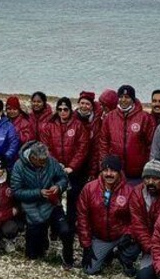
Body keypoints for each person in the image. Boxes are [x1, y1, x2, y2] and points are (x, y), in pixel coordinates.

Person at [41, 97, 90, 261]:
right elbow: (46, 147)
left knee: (72, 204)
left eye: (66, 109)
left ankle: (69, 234)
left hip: (73, 172)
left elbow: (82, 148)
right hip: (55, 171)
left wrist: (71, 167)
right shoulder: (49, 126)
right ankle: (53, 232)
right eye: (60, 109)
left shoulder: (78, 126)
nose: (62, 112)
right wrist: (57, 165)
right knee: (53, 201)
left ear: (71, 110)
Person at [11, 141, 72, 268]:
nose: (44, 163)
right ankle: (40, 246)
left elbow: (63, 178)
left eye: (45, 160)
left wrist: (58, 187)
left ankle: (68, 260)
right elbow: (16, 191)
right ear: (32, 158)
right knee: (32, 254)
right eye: (41, 161)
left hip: (51, 202)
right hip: (31, 205)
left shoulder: (50, 161)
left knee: (65, 230)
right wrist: (38, 193)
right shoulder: (19, 166)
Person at [76, 156, 140, 275]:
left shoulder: (130, 191)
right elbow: (82, 217)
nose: (109, 174)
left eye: (113, 171)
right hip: (101, 238)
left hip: (121, 236)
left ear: (119, 172)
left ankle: (126, 260)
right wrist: (86, 245)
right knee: (89, 269)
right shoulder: (89, 188)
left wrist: (129, 234)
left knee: (137, 241)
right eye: (105, 170)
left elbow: (136, 218)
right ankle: (108, 254)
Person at [97, 85, 154, 184]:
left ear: (132, 99)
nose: (123, 100)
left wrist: (147, 168)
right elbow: (103, 144)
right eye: (121, 97)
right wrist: (104, 165)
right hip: (115, 172)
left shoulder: (145, 118)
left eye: (127, 97)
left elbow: (151, 146)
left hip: (138, 174)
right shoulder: (109, 117)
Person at [74, 91, 103, 178]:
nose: (84, 106)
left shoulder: (97, 121)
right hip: (75, 162)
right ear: (78, 104)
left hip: (91, 161)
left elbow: (97, 147)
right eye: (82, 103)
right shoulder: (72, 118)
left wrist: (94, 170)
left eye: (87, 104)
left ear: (92, 106)